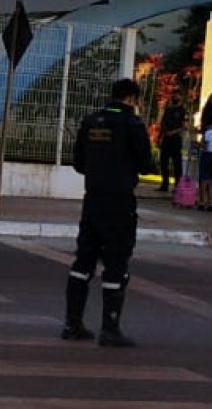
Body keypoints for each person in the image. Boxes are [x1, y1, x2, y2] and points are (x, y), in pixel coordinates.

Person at [62, 78, 152, 348]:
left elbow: (78, 163)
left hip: (93, 201)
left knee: (83, 263)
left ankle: (72, 323)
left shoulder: (90, 122)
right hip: (119, 202)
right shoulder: (133, 125)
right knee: (116, 264)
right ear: (132, 99)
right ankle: (110, 329)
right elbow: (146, 164)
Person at [157, 92, 187, 192]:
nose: (175, 97)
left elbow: (184, 126)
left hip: (176, 139)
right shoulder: (168, 109)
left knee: (176, 163)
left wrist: (173, 132)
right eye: (174, 95)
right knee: (164, 162)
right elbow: (162, 123)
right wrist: (161, 136)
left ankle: (177, 185)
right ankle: (164, 184)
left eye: (177, 95)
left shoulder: (182, 110)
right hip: (166, 138)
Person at [197, 120, 212, 212]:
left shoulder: (207, 133)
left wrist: (198, 144)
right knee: (210, 180)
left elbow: (205, 145)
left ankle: (202, 201)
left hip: (206, 155)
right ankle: (211, 203)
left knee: (203, 180)